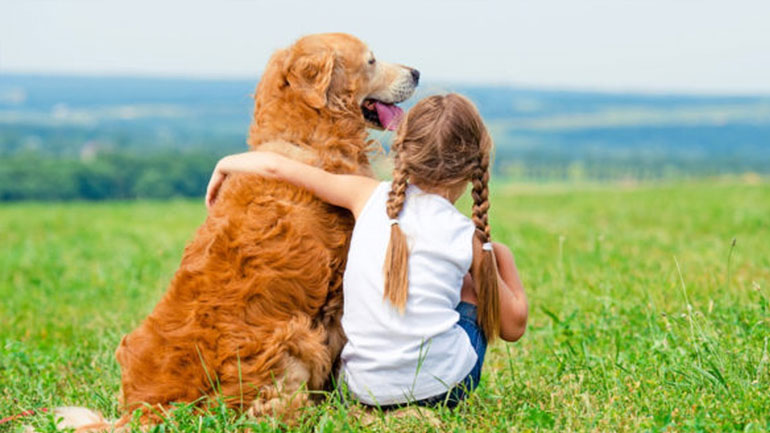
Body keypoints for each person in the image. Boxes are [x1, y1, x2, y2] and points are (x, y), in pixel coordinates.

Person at [205, 93, 528, 409]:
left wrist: (225, 164)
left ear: (400, 150)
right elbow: (513, 327)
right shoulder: (465, 236)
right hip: (442, 391)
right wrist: (500, 255)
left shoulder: (364, 196)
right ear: (475, 165)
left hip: (360, 389)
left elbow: (277, 167)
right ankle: (428, 381)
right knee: (469, 285)